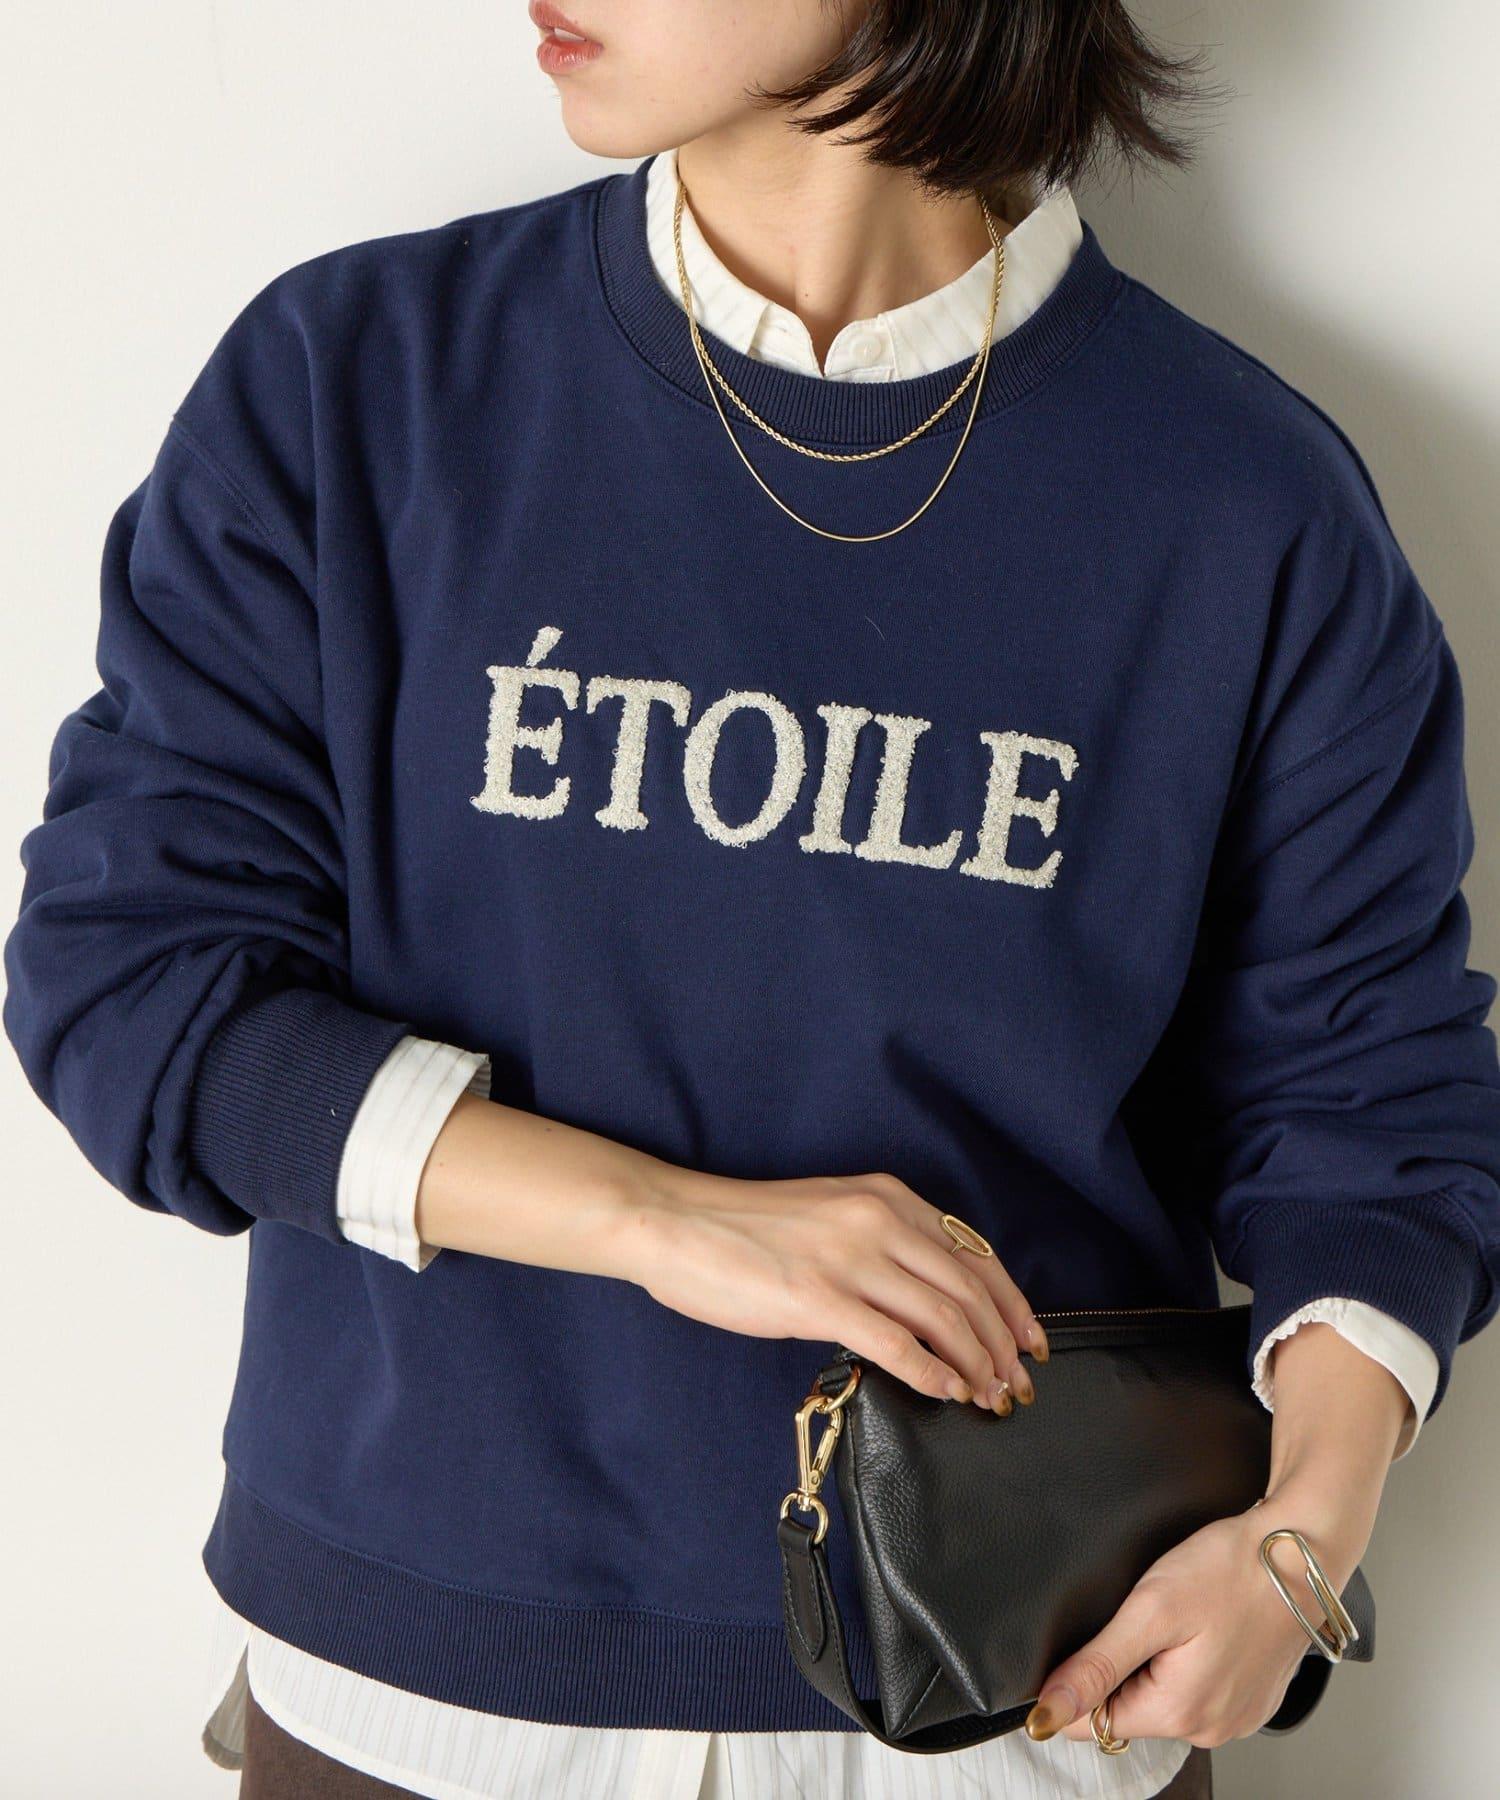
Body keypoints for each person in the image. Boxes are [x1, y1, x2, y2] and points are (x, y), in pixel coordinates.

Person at [7, 3, 1499, 1796]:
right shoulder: (362, 385)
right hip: (426, 1696)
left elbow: (1372, 1115)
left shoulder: (1247, 504)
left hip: (1020, 1710)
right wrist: (666, 1221)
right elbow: (139, 996)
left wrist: (1300, 1541)